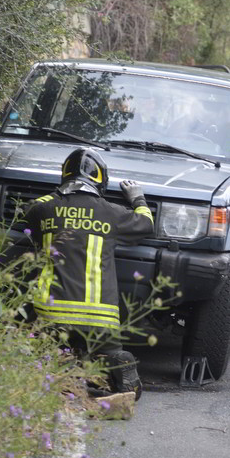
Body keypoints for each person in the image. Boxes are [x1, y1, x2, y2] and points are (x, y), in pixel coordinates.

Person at [19, 148, 156, 396]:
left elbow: (28, 210)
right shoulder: (111, 212)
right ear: (101, 180)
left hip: (51, 312)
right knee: (109, 350)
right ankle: (118, 365)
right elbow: (146, 224)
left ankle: (62, 368)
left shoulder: (45, 209)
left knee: (48, 350)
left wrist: (57, 197)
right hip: (99, 316)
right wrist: (138, 199)